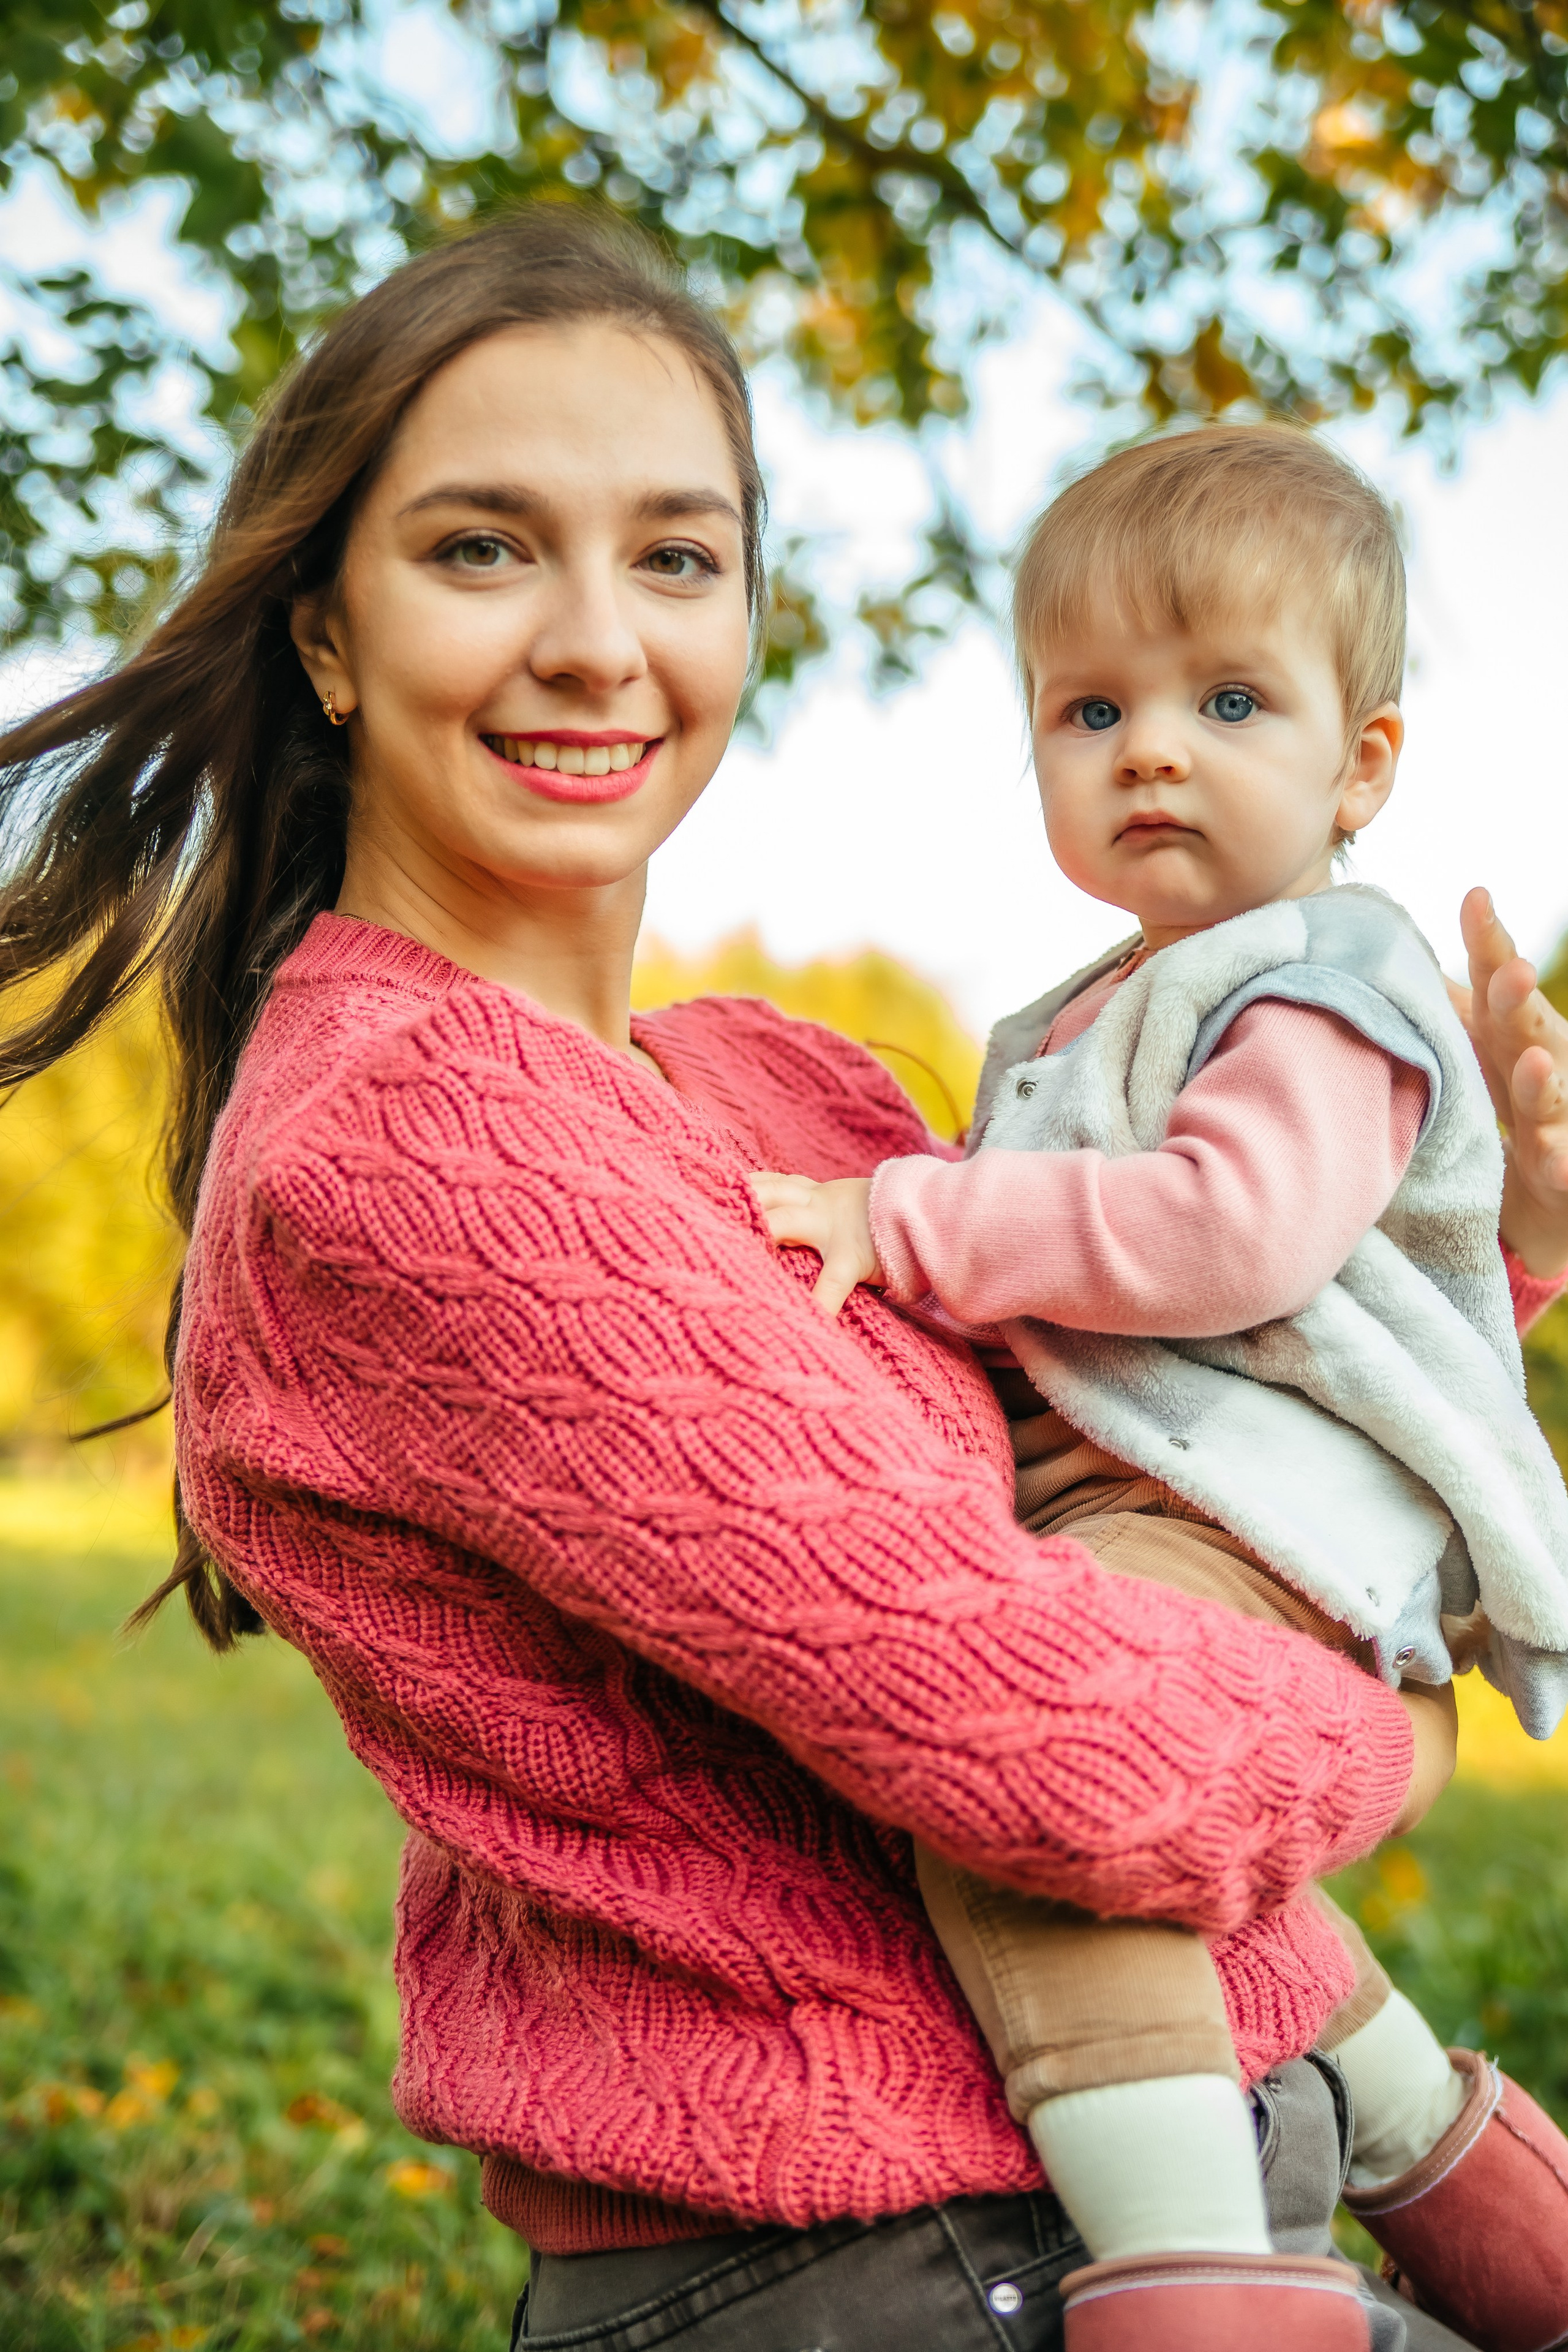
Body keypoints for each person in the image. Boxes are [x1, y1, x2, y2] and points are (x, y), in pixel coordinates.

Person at [1, 206, 1564, 2352]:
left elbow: (1160, 1437)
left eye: (674, 556)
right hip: (878, 2266)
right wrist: (1406, 1718)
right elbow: (1077, 1761)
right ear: (328, 636)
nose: (595, 644)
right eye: (482, 549)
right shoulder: (408, 1144)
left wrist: (1501, 1253)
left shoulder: (788, 1086)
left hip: (1155, 2188)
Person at [752, 424, 1568, 2348]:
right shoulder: (1122, 998)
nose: (1152, 752)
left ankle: (1199, 2279)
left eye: (1229, 701)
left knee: (1033, 1785)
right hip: (1191, 1499)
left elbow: (1233, 1237)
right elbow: (1358, 1295)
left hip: (1258, 1523)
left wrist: (913, 1218)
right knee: (1169, 1846)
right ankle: (1451, 2167)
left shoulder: (1318, 982)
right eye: (1092, 710)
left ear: (1362, 764)